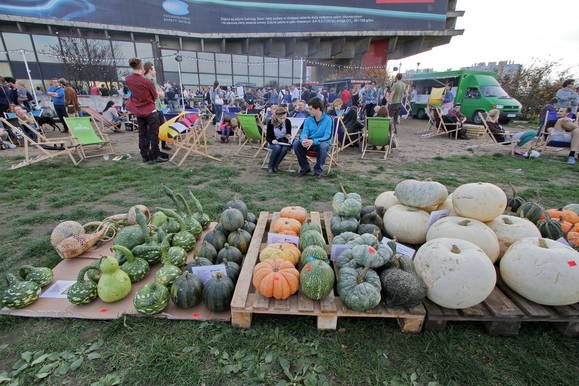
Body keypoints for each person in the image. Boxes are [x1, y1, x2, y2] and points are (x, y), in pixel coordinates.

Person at [125, 57, 166, 163]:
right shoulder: (147, 82)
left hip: (139, 111)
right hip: (150, 110)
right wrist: (159, 94)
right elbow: (155, 96)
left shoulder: (128, 79)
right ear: (141, 67)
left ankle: (145, 155)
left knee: (142, 134)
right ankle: (155, 155)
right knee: (153, 134)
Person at [292, 97, 333, 179]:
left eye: (310, 109)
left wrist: (313, 141)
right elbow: (304, 133)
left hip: (320, 143)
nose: (308, 111)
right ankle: (305, 167)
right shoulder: (308, 119)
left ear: (318, 108)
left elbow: (327, 136)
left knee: (323, 146)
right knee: (296, 143)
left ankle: (318, 170)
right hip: (309, 143)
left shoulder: (328, 119)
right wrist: (303, 139)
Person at [143, 61, 171, 151]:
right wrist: (160, 93)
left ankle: (162, 145)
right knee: (156, 129)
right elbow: (157, 94)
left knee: (161, 126)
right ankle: (156, 149)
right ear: (149, 70)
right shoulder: (149, 80)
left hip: (156, 107)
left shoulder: (151, 79)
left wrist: (160, 93)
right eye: (154, 69)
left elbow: (161, 93)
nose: (155, 71)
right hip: (153, 108)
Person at [265, 107, 292, 173]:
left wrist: (289, 136)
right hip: (272, 142)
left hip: (283, 142)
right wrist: (273, 140)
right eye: (281, 118)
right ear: (276, 116)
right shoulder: (270, 123)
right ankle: (270, 166)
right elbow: (268, 137)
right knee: (277, 148)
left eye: (284, 118)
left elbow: (288, 133)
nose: (283, 120)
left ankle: (275, 165)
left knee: (284, 149)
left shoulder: (287, 122)